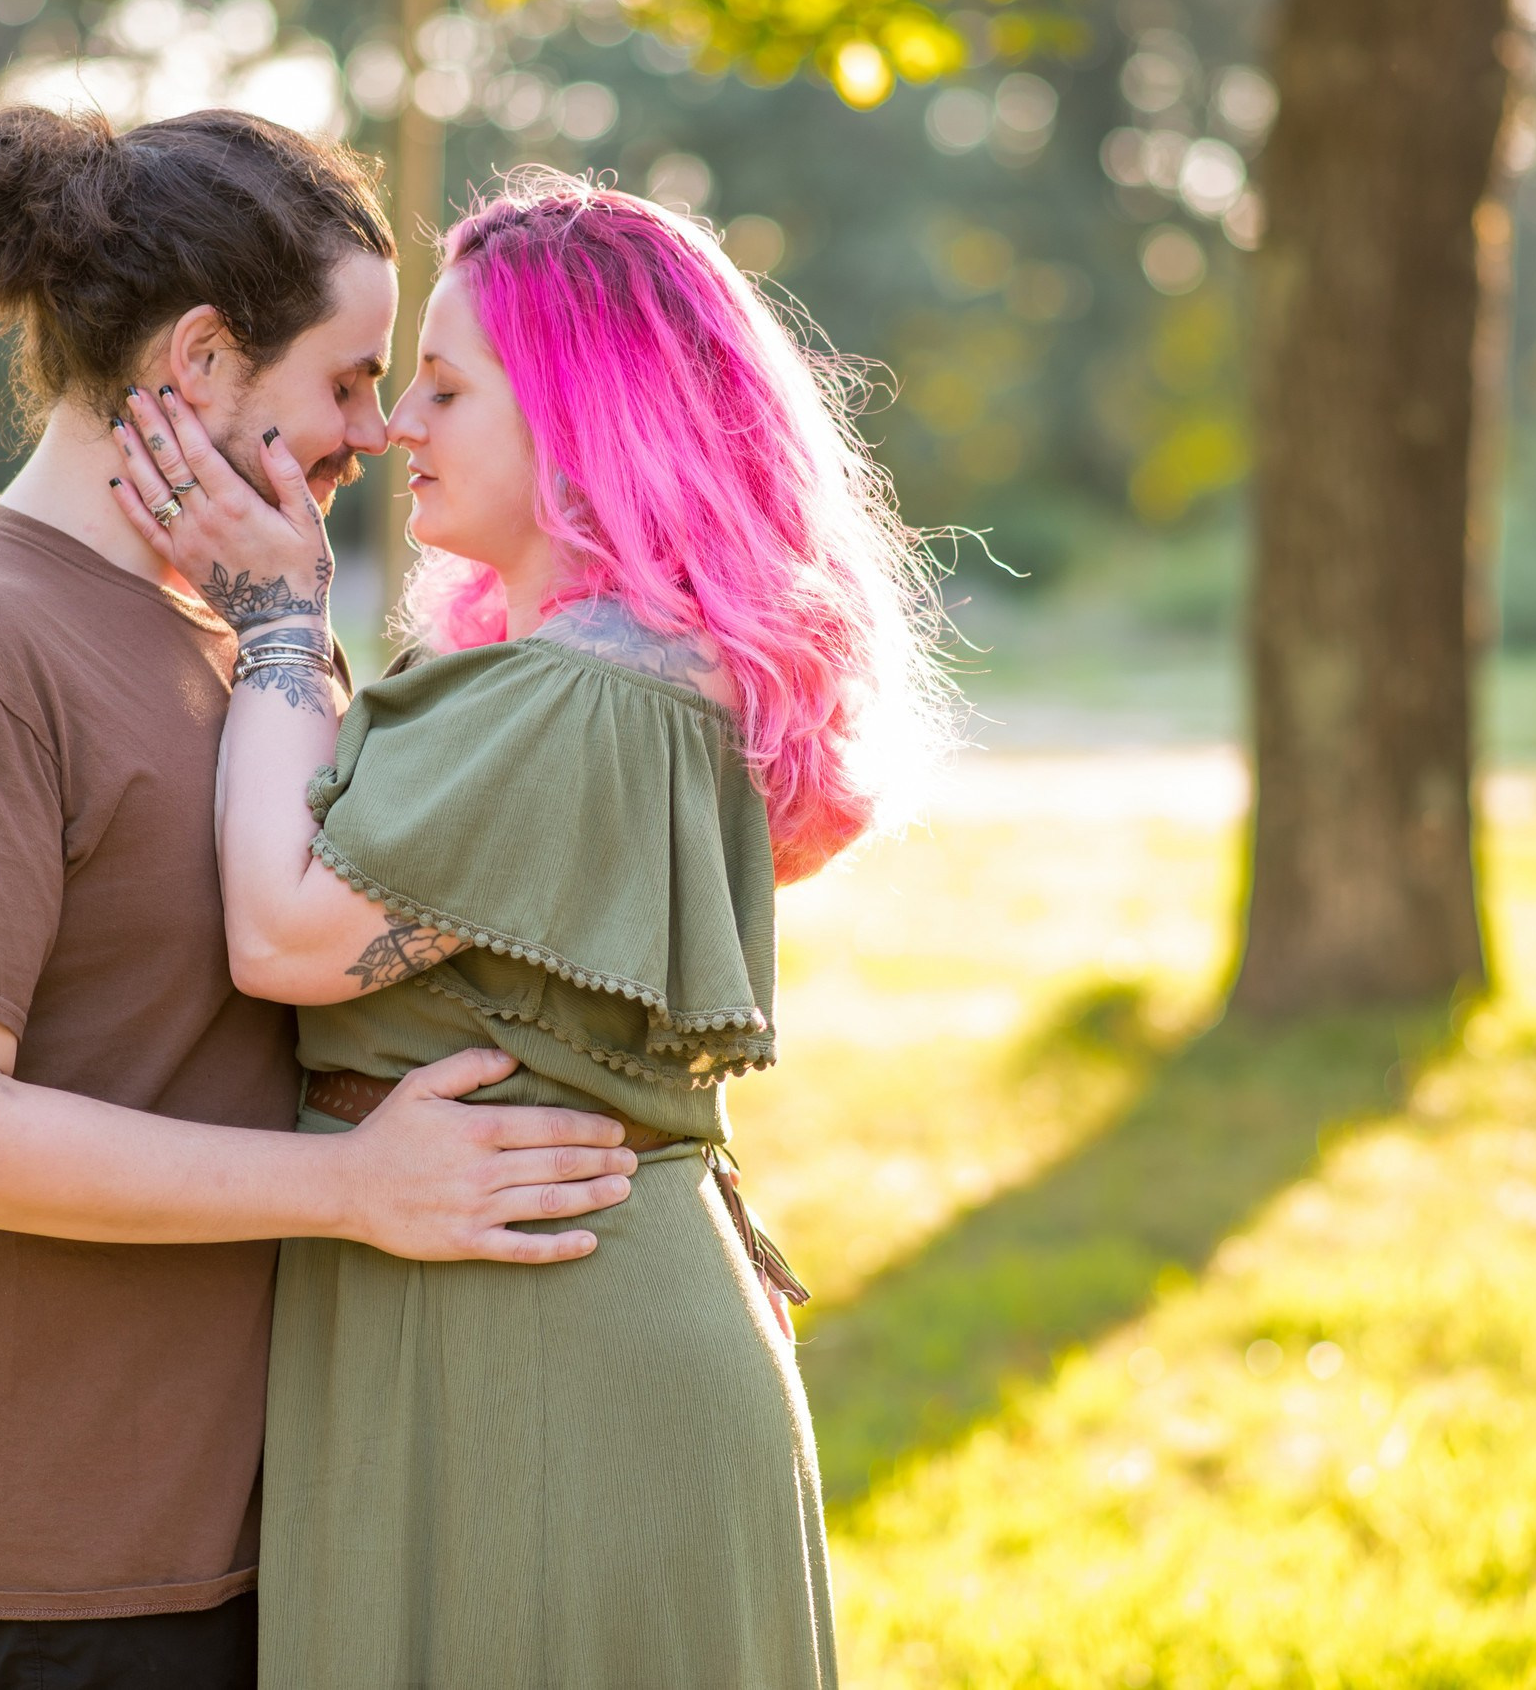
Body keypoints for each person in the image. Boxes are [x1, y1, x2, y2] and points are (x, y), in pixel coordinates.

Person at [0, 109, 641, 1690]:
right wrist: (357, 1189)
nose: (376, 428)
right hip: (52, 1565)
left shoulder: (249, 629)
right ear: (198, 362)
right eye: (344, 379)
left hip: (264, 1522)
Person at [112, 171, 955, 1688]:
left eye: (443, 387)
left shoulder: (591, 694)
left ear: (584, 418)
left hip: (545, 1358)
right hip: (511, 1312)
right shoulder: (613, 675)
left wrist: (283, 620)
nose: (392, 429)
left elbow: (291, 940)